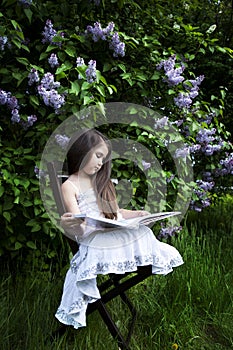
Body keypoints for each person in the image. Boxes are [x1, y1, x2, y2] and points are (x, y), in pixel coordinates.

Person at [55, 128, 184, 329]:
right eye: (97, 156)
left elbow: (116, 213)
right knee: (128, 235)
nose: (100, 163)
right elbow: (78, 225)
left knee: (143, 231)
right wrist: (69, 224)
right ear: (82, 151)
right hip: (93, 239)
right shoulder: (70, 186)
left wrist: (139, 214)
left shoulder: (102, 183)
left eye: (103, 159)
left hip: (110, 232)